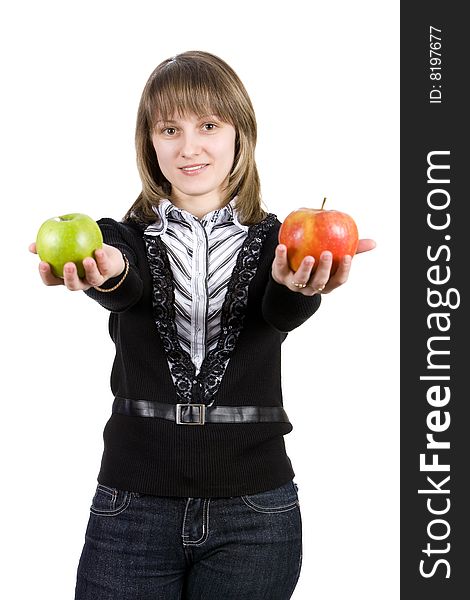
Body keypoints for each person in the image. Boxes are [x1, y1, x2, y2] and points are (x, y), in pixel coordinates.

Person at [30, 50, 375, 600]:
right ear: (151, 143)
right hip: (132, 509)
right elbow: (126, 286)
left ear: (240, 133)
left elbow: (278, 313)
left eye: (208, 125)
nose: (190, 148)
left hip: (255, 513)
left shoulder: (283, 240)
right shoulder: (117, 239)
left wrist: (298, 287)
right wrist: (109, 274)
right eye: (170, 129)